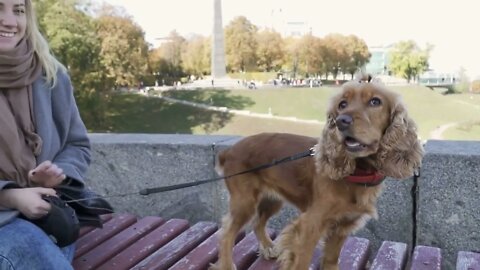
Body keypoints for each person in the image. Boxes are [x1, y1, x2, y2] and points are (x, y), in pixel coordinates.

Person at [0, 0, 91, 269]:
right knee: (25, 244)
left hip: (50, 214)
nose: (10, 21)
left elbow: (77, 145)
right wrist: (10, 196)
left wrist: (57, 174)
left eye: (18, 10)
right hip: (11, 225)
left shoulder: (51, 74)